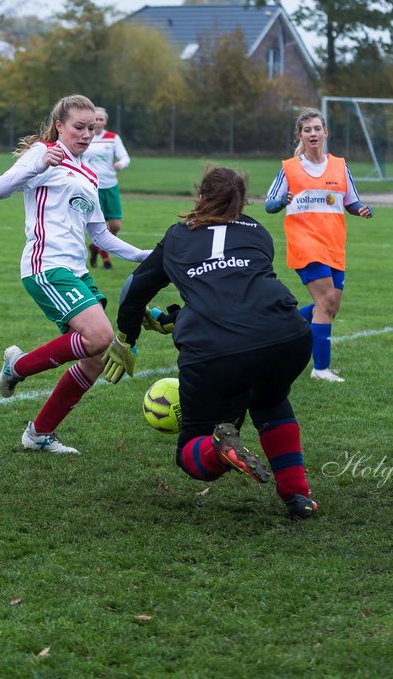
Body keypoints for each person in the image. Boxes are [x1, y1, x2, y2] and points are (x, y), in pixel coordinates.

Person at [107, 166, 318, 519]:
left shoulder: (177, 235)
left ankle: (217, 447)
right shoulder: (258, 231)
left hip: (215, 350)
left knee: (191, 450)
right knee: (270, 399)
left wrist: (127, 337)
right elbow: (235, 291)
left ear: (200, 197)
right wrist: (178, 317)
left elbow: (133, 291)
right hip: (287, 336)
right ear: (242, 202)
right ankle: (297, 495)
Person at [0, 94, 150, 455]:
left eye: (91, 127)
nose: (86, 134)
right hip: (46, 265)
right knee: (100, 335)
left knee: (97, 354)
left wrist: (145, 255)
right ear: (60, 126)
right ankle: (18, 367)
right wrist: (38, 165)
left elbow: (101, 236)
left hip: (76, 271)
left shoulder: (89, 173)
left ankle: (39, 433)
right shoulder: (43, 154)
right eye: (78, 127)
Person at [264, 109, 373, 383]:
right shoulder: (290, 168)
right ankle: (320, 369)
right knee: (325, 301)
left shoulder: (340, 166)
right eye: (307, 130)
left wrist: (361, 209)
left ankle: (279, 328)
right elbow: (269, 204)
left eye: (316, 128)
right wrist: (282, 201)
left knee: (330, 307)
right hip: (305, 244)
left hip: (334, 245)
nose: (312, 133)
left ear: (326, 132)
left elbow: (351, 200)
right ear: (300, 135)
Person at [83, 106, 131, 270]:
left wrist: (121, 164)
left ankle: (96, 247)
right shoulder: (84, 136)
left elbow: (125, 157)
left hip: (110, 185)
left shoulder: (112, 138)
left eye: (101, 119)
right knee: (99, 225)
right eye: (95, 119)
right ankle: (105, 257)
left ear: (105, 121)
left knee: (115, 226)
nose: (97, 122)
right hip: (92, 187)